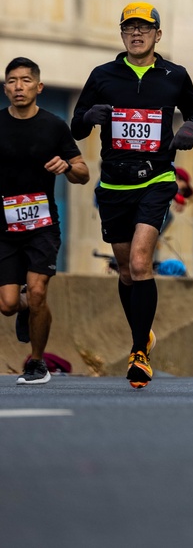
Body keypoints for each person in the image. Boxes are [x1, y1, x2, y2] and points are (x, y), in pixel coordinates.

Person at [71, 2, 193, 389]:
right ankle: (142, 335)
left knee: (143, 263)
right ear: (122, 34)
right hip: (114, 183)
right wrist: (89, 117)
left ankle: (139, 353)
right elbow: (77, 127)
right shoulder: (103, 75)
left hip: (156, 178)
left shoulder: (174, 75)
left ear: (157, 35)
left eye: (144, 28)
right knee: (127, 270)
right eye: (130, 28)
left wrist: (189, 130)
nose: (137, 34)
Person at [0, 57, 90, 384]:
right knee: (9, 304)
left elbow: (84, 172)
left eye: (25, 80)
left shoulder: (54, 126)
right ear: (5, 87)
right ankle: (24, 307)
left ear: (38, 87)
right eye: (11, 81)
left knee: (38, 291)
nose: (18, 87)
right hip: (5, 227)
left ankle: (37, 362)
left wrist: (66, 167)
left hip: (43, 225)